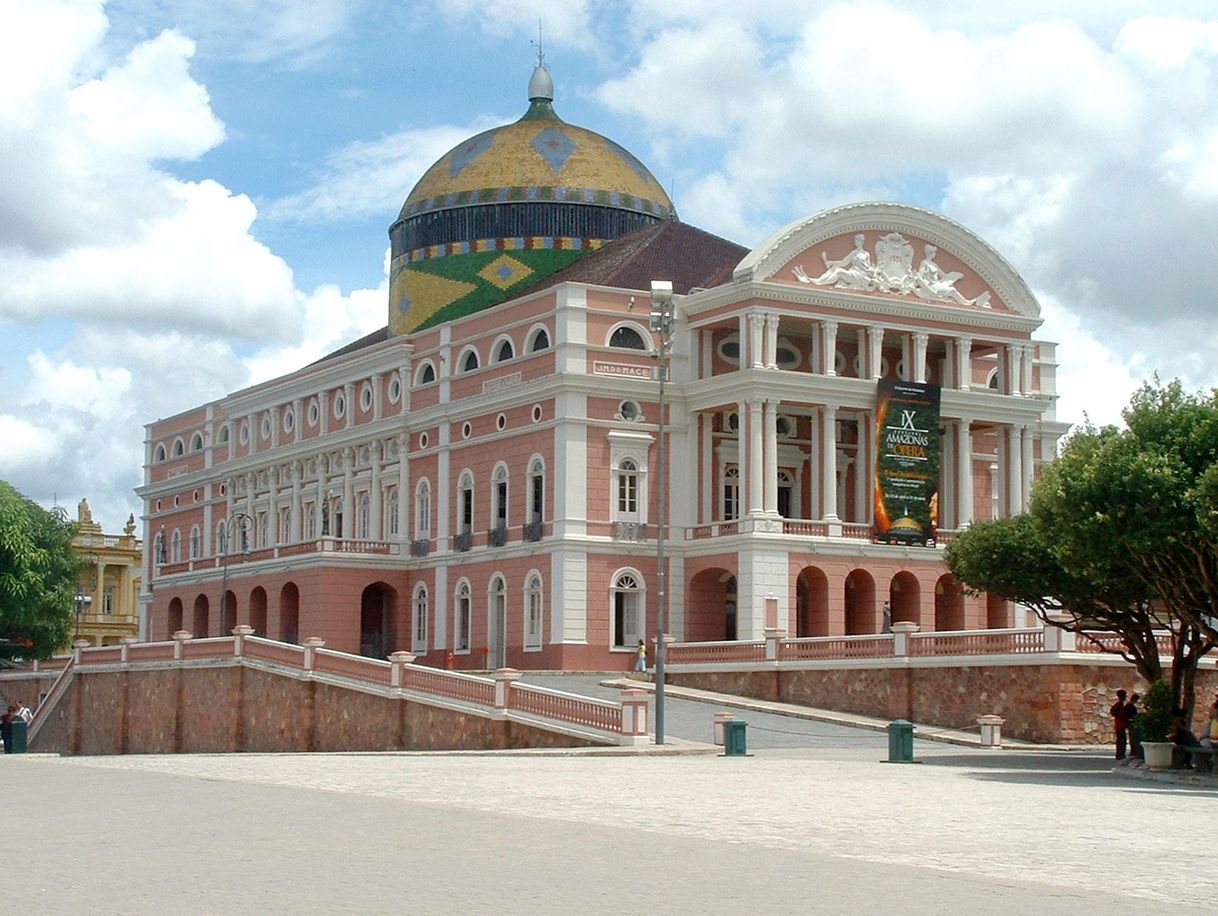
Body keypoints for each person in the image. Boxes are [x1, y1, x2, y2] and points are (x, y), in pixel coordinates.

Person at [1110, 689, 1130, 760]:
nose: (1125, 697)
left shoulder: (1119, 704)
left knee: (1121, 740)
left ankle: (1120, 754)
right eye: (1125, 696)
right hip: (1120, 725)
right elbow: (1114, 712)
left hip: (1119, 725)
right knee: (1121, 740)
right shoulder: (1119, 704)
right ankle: (1120, 754)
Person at [1124, 692, 1142, 761]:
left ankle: (1133, 751)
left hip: (1129, 723)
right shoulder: (1131, 706)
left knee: (1132, 738)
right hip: (1131, 723)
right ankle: (1133, 751)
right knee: (1133, 738)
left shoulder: (1127, 706)